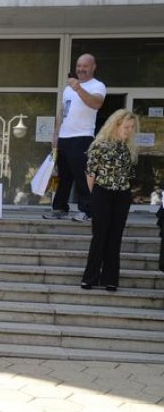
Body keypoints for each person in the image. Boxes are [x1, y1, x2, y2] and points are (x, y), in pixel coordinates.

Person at [80, 109, 139, 292]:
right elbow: (90, 173)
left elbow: (130, 175)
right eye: (127, 127)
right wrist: (93, 196)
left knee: (115, 236)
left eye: (131, 128)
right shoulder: (100, 145)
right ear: (116, 124)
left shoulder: (128, 148)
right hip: (102, 193)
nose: (129, 131)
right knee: (100, 235)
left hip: (122, 195)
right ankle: (90, 278)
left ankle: (111, 279)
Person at [45, 54, 107, 222]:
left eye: (85, 66)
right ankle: (59, 208)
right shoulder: (67, 89)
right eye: (78, 66)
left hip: (82, 137)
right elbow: (62, 111)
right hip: (65, 137)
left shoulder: (97, 86)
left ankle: (87, 210)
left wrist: (79, 88)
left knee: (82, 175)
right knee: (64, 176)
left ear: (93, 67)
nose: (80, 69)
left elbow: (96, 103)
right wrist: (56, 134)